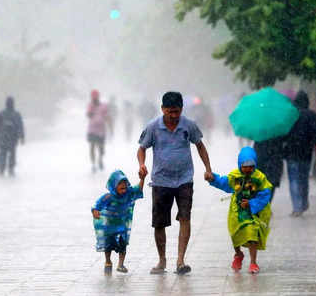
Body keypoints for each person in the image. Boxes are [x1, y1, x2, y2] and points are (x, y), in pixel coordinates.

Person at [137, 91, 213, 275]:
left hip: (184, 179)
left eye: (176, 112)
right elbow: (141, 149)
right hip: (160, 181)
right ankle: (162, 260)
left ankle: (180, 260)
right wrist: (141, 165)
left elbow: (200, 146)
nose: (173, 116)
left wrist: (208, 169)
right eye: (169, 112)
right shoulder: (153, 127)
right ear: (162, 109)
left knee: (185, 217)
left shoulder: (189, 126)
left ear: (181, 109)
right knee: (159, 223)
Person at [205, 146, 272, 274]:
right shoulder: (234, 176)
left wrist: (252, 204)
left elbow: (265, 195)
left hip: (253, 213)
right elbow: (224, 183)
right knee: (235, 234)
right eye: (244, 166)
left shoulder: (260, 178)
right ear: (240, 165)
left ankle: (253, 262)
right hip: (237, 212)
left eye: (251, 166)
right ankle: (238, 254)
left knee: (252, 234)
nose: (248, 169)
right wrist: (212, 178)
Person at [92, 169, 146, 273]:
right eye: (120, 185)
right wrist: (95, 211)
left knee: (123, 245)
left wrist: (142, 179)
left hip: (122, 226)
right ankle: (108, 261)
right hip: (109, 227)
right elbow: (97, 204)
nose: (123, 188)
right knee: (108, 246)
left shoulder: (128, 194)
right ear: (113, 185)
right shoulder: (108, 197)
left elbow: (138, 189)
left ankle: (121, 264)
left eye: (125, 185)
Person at [284, 90, 316, 217]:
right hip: (306, 153)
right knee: (303, 179)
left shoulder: (290, 115)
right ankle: (304, 202)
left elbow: (283, 134)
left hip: (291, 153)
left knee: (294, 180)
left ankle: (297, 207)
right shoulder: (312, 115)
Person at [0, 96, 24, 176]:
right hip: (9, 138)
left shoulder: (3, 113)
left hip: (8, 138)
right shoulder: (14, 114)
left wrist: (21, 136)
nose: (10, 104)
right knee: (8, 153)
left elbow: (20, 126)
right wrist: (21, 137)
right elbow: (20, 126)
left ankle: (5, 168)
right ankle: (5, 168)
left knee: (6, 153)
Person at [87, 89, 112, 173]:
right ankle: (93, 164)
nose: (94, 99)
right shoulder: (90, 106)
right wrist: (91, 108)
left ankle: (100, 159)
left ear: (98, 97)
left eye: (95, 97)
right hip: (92, 130)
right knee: (92, 146)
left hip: (101, 130)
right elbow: (88, 115)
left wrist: (110, 127)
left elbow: (107, 117)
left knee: (101, 148)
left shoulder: (103, 106)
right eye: (93, 98)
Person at [253, 136, 284, 202]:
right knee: (271, 184)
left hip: (262, 162)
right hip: (274, 163)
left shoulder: (259, 135)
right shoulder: (278, 133)